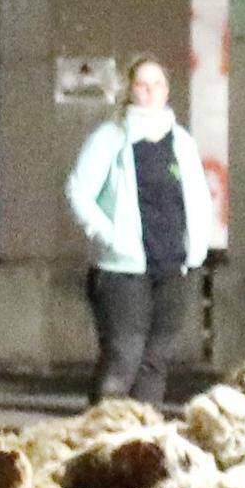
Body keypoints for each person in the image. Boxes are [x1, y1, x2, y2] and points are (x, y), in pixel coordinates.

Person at [64, 56, 204, 402]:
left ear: (167, 90)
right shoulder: (110, 138)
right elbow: (79, 191)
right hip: (123, 269)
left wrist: (196, 248)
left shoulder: (182, 141)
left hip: (173, 263)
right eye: (142, 84)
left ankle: (144, 437)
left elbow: (198, 197)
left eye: (157, 84)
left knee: (155, 360)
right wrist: (111, 237)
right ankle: (101, 435)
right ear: (131, 90)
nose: (150, 91)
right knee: (124, 356)